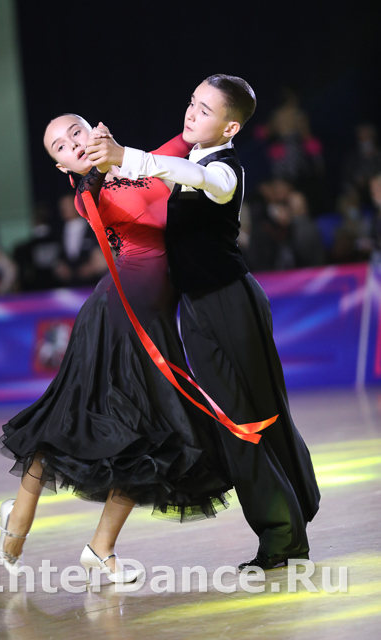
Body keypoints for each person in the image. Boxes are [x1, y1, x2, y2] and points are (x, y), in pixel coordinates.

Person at [86, 74, 321, 570]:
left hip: (231, 303)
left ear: (231, 127)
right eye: (193, 102)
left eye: (206, 109)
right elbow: (157, 181)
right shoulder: (192, 161)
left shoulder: (224, 171)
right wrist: (106, 166)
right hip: (197, 308)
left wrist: (126, 155)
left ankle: (285, 532)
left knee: (250, 417)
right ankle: (290, 519)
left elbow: (189, 176)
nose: (192, 113)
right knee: (238, 418)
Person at [0, 114, 233, 582]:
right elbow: (97, 187)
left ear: (96, 129)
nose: (73, 144)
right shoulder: (88, 192)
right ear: (62, 166)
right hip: (114, 317)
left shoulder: (141, 163)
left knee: (148, 437)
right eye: (60, 146)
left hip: (153, 321)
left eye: (76, 132)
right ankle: (20, 513)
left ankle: (100, 549)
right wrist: (107, 161)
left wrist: (213, 116)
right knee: (71, 421)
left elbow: (187, 138)